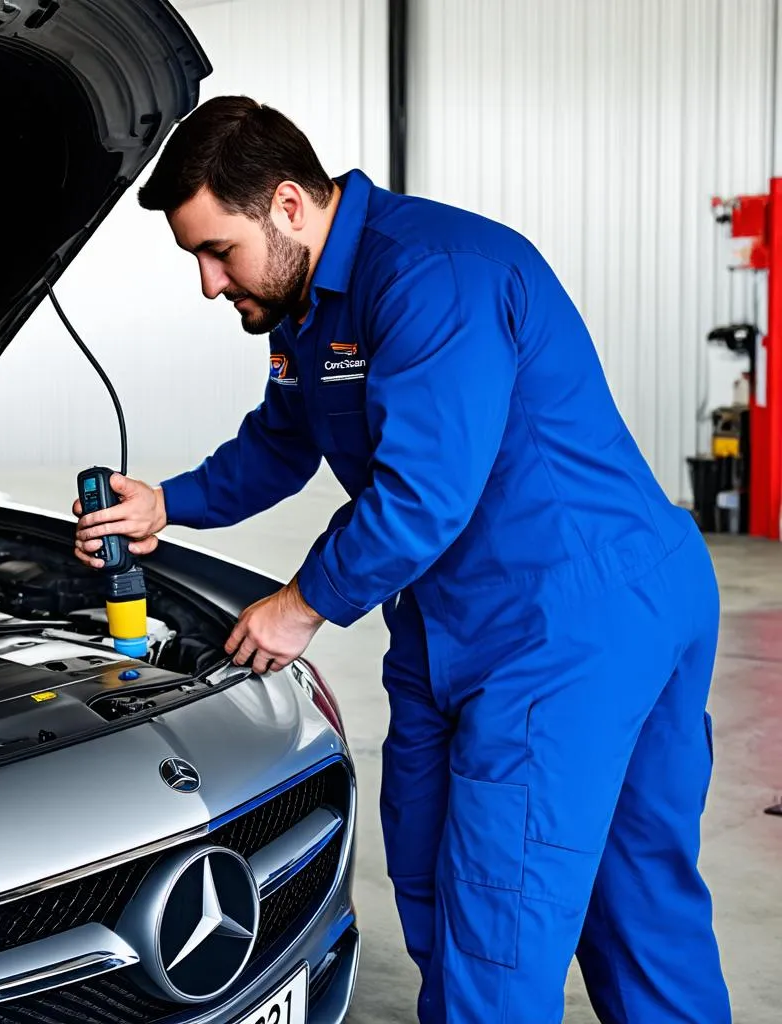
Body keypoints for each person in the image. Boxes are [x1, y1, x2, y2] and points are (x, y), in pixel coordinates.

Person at [71, 96, 731, 1023]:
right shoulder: (310, 304)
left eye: (218, 251)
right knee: (505, 874)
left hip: (559, 616)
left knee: (503, 931)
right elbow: (280, 444)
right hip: (514, 605)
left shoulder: (431, 275)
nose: (211, 285)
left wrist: (300, 604)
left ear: (289, 206)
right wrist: (168, 503)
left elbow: (427, 494)